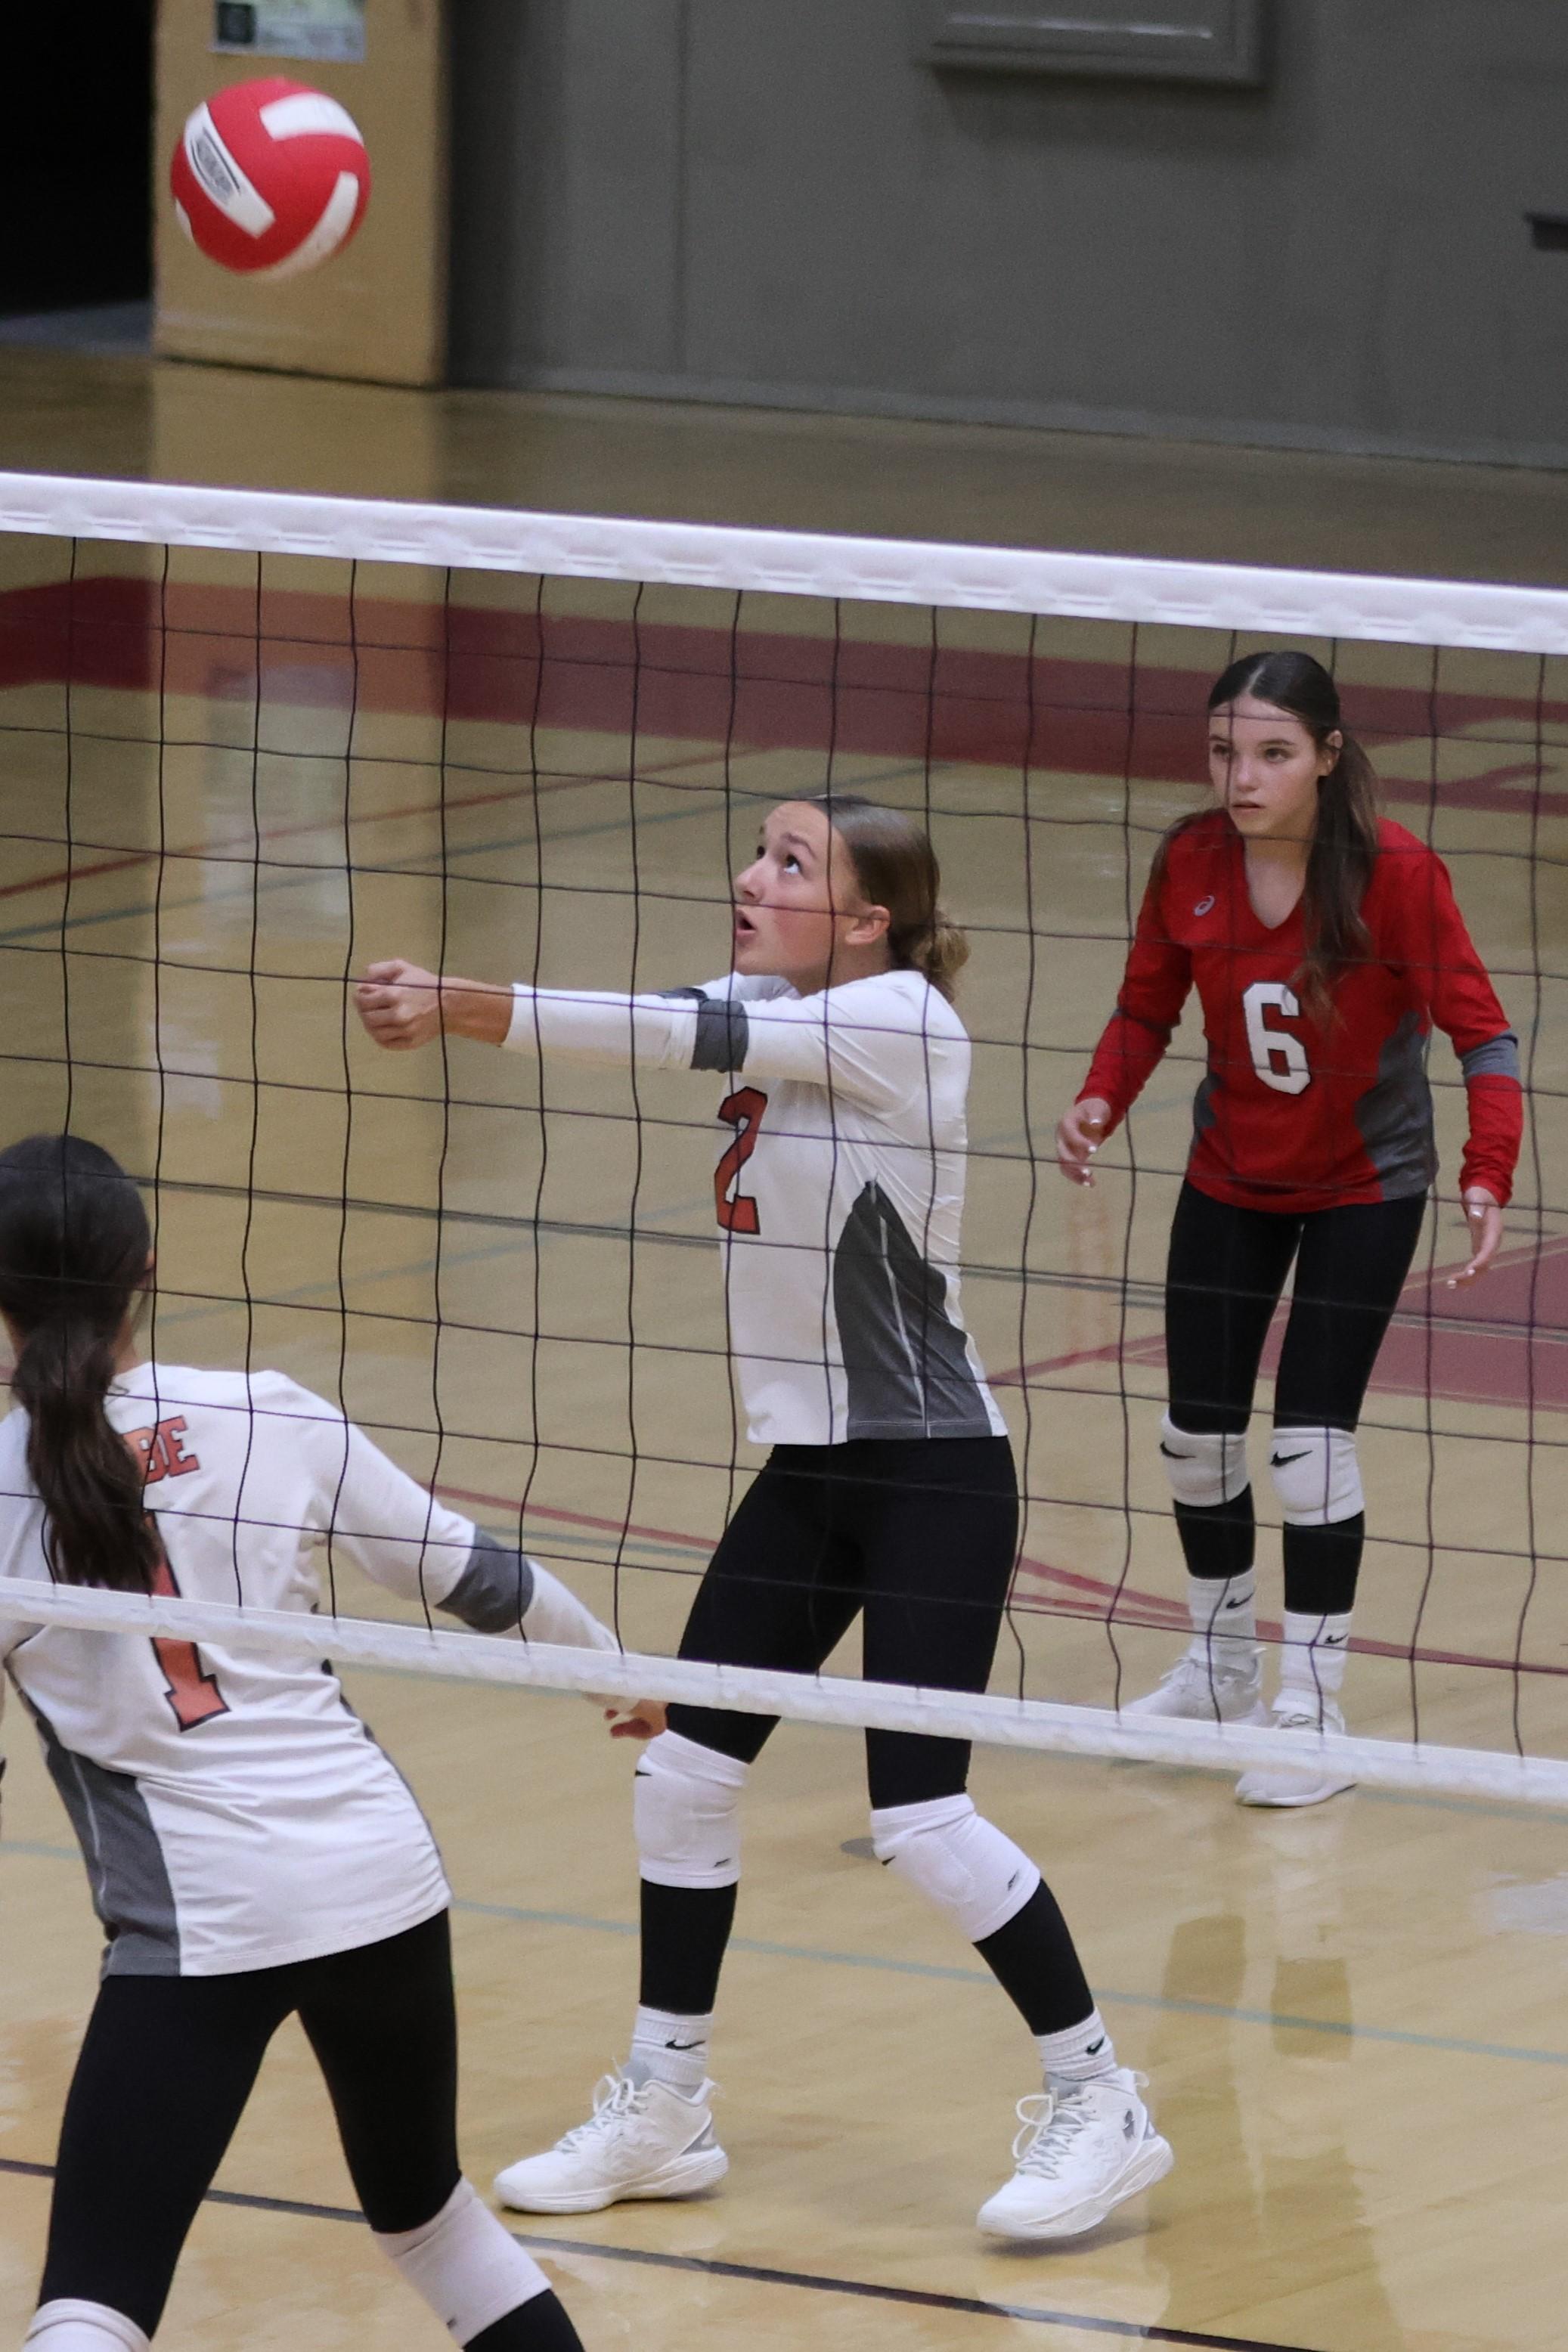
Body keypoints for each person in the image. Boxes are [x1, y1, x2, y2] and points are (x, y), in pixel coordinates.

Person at [356, 793, 1174, 2245]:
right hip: (814, 1470)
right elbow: (633, 1010)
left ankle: (1099, 2095)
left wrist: (454, 1001)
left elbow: (664, 1039)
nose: (749, 875)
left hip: (932, 1469)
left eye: (791, 864)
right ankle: (666, 2106)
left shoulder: (902, 1019)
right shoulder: (777, 991)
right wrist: (477, 1008)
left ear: (866, 918)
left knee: (920, 1816)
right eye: (758, 849)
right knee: (681, 1775)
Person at [0, 1133, 609, 2352]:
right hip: (380, 1884)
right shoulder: (267, 1413)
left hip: (203, 1927)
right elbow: (478, 1580)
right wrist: (614, 1669)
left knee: (95, 2297)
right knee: (428, 2215)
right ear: (148, 1270)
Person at [1056, 651, 1521, 1806]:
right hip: (1229, 1174)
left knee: (1308, 1449)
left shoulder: (1395, 875)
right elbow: (1144, 1003)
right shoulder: (1190, 858)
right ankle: (1217, 1669)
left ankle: (1309, 1708)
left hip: (1366, 1186)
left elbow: (1483, 1036)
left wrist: (1484, 1173)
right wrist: (1099, 1097)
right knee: (1192, 1439)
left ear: (1326, 755)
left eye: (1270, 753)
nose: (1241, 776)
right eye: (1223, 751)